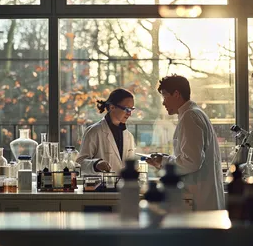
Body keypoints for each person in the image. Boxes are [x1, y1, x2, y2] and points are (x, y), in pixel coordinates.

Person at [147, 75, 225, 211]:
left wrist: (164, 161)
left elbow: (191, 161)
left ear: (176, 94)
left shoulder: (190, 116)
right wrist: (165, 160)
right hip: (200, 194)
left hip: (198, 197)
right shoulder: (193, 114)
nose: (164, 103)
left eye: (165, 96)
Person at [77, 88, 135, 174]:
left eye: (131, 109)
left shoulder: (128, 136)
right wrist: (96, 164)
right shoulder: (94, 131)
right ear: (112, 107)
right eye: (127, 109)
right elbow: (80, 163)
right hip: (100, 185)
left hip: (122, 185)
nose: (129, 113)